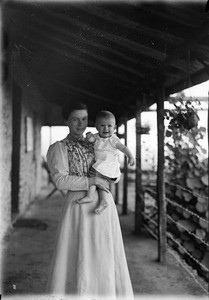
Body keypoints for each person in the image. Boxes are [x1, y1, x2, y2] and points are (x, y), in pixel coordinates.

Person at [46, 102, 134, 298]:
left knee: (103, 252)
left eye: (84, 119)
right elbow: (60, 180)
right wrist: (92, 180)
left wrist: (111, 176)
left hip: (104, 203)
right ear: (66, 121)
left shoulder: (98, 142)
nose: (80, 124)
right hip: (78, 204)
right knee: (79, 253)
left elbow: (115, 173)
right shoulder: (60, 147)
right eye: (75, 119)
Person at [78, 110, 135, 215]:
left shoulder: (113, 140)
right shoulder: (96, 137)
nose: (106, 128)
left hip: (108, 167)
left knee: (92, 174)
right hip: (103, 170)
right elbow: (90, 141)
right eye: (102, 125)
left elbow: (123, 148)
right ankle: (103, 201)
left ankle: (90, 196)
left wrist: (130, 156)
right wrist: (88, 137)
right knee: (101, 183)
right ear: (96, 127)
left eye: (109, 126)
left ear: (114, 127)